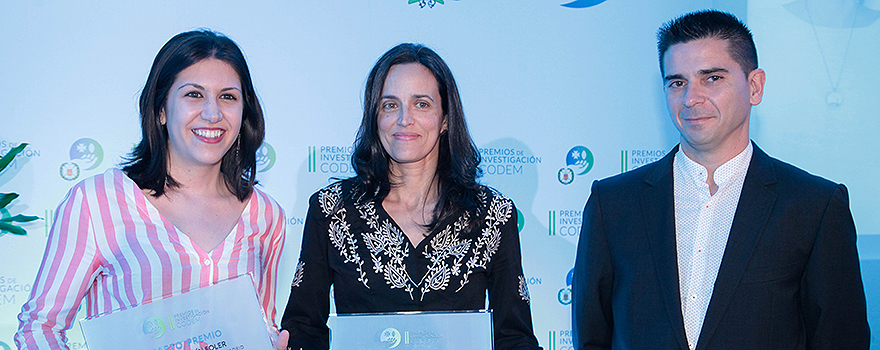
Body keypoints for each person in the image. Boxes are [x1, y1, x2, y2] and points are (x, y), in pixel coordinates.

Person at [572, 9, 869, 350]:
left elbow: (840, 339)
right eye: (677, 82)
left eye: (712, 78)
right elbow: (593, 337)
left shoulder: (813, 206)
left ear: (754, 86)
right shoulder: (612, 204)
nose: (691, 99)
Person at [15, 30, 289, 349]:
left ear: (244, 113)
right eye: (194, 95)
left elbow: (262, 322)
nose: (213, 113)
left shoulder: (266, 215)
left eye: (228, 96)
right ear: (161, 109)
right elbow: (40, 327)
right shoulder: (99, 202)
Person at [280, 43, 542, 350]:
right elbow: (303, 327)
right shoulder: (332, 210)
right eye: (390, 105)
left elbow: (514, 337)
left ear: (445, 118)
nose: (405, 119)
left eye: (422, 104)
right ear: (374, 117)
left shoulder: (492, 214)